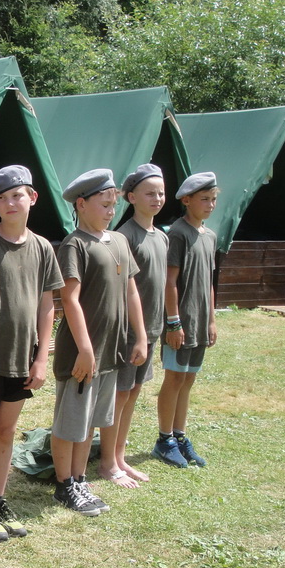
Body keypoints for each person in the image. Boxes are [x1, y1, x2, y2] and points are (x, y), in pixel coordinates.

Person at [0, 165, 63, 541]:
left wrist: (41, 358)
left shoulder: (43, 248)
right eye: (1, 198)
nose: (9, 203)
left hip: (23, 358)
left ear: (32, 197)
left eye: (16, 195)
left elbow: (47, 306)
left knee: (6, 432)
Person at [50, 169, 148, 516]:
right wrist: (85, 349)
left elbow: (131, 291)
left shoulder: (118, 241)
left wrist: (140, 335)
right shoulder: (75, 244)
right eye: (104, 204)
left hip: (111, 350)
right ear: (81, 204)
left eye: (113, 205)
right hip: (82, 353)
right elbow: (70, 299)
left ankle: (79, 478)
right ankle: (64, 485)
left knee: (90, 420)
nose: (110, 211)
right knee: (71, 421)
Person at [107, 164, 169, 486]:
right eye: (149, 193)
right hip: (130, 333)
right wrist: (135, 333)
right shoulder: (125, 236)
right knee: (120, 395)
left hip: (152, 330)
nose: (157, 198)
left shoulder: (162, 237)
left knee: (133, 393)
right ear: (131, 197)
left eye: (161, 193)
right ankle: (108, 462)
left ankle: (120, 456)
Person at [152, 172, 219, 468]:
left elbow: (209, 282)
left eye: (213, 199)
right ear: (187, 200)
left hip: (201, 323)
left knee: (188, 379)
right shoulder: (177, 233)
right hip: (181, 323)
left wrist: (212, 320)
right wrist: (174, 322)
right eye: (204, 199)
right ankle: (164, 439)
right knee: (175, 377)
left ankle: (180, 435)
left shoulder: (210, 235)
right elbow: (170, 282)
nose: (210, 205)